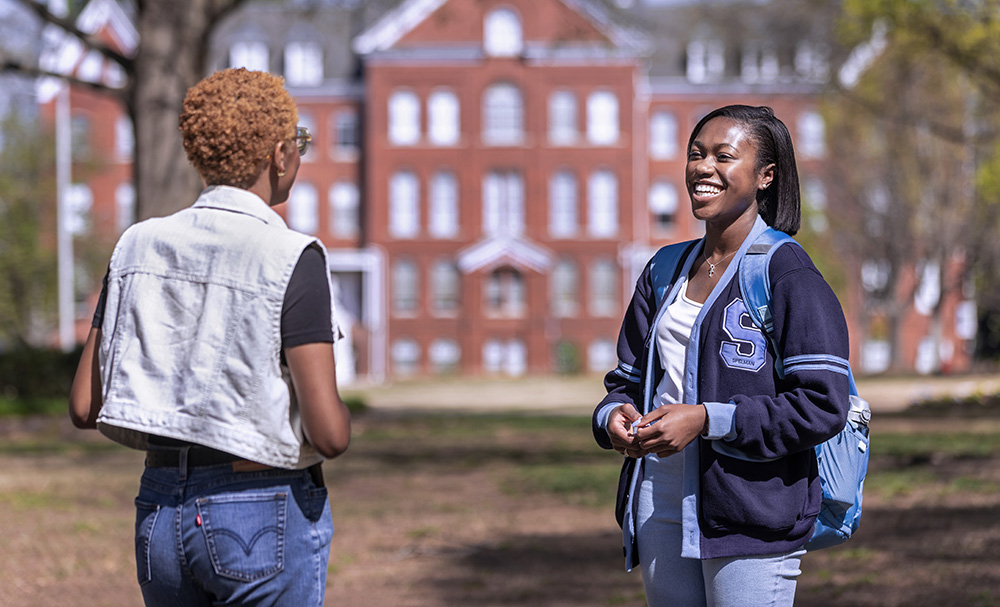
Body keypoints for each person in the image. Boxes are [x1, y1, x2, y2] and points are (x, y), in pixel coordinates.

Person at [69, 68, 351, 607]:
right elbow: (329, 435)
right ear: (281, 154)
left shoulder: (136, 245)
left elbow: (85, 405)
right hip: (260, 508)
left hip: (159, 511)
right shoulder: (293, 255)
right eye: (301, 143)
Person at [592, 105, 851, 606]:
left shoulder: (787, 272)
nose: (703, 168)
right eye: (695, 154)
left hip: (751, 508)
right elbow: (624, 381)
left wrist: (708, 419)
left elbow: (823, 404)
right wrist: (612, 418)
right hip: (659, 501)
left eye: (723, 156)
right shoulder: (664, 270)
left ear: (765, 176)